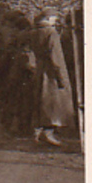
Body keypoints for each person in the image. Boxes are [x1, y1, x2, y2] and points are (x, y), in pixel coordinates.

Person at [31, 8, 74, 146]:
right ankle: (48, 133)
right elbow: (56, 57)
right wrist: (62, 77)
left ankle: (38, 132)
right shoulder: (51, 32)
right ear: (50, 18)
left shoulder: (33, 32)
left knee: (40, 100)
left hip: (39, 69)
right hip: (50, 72)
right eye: (55, 18)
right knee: (53, 103)